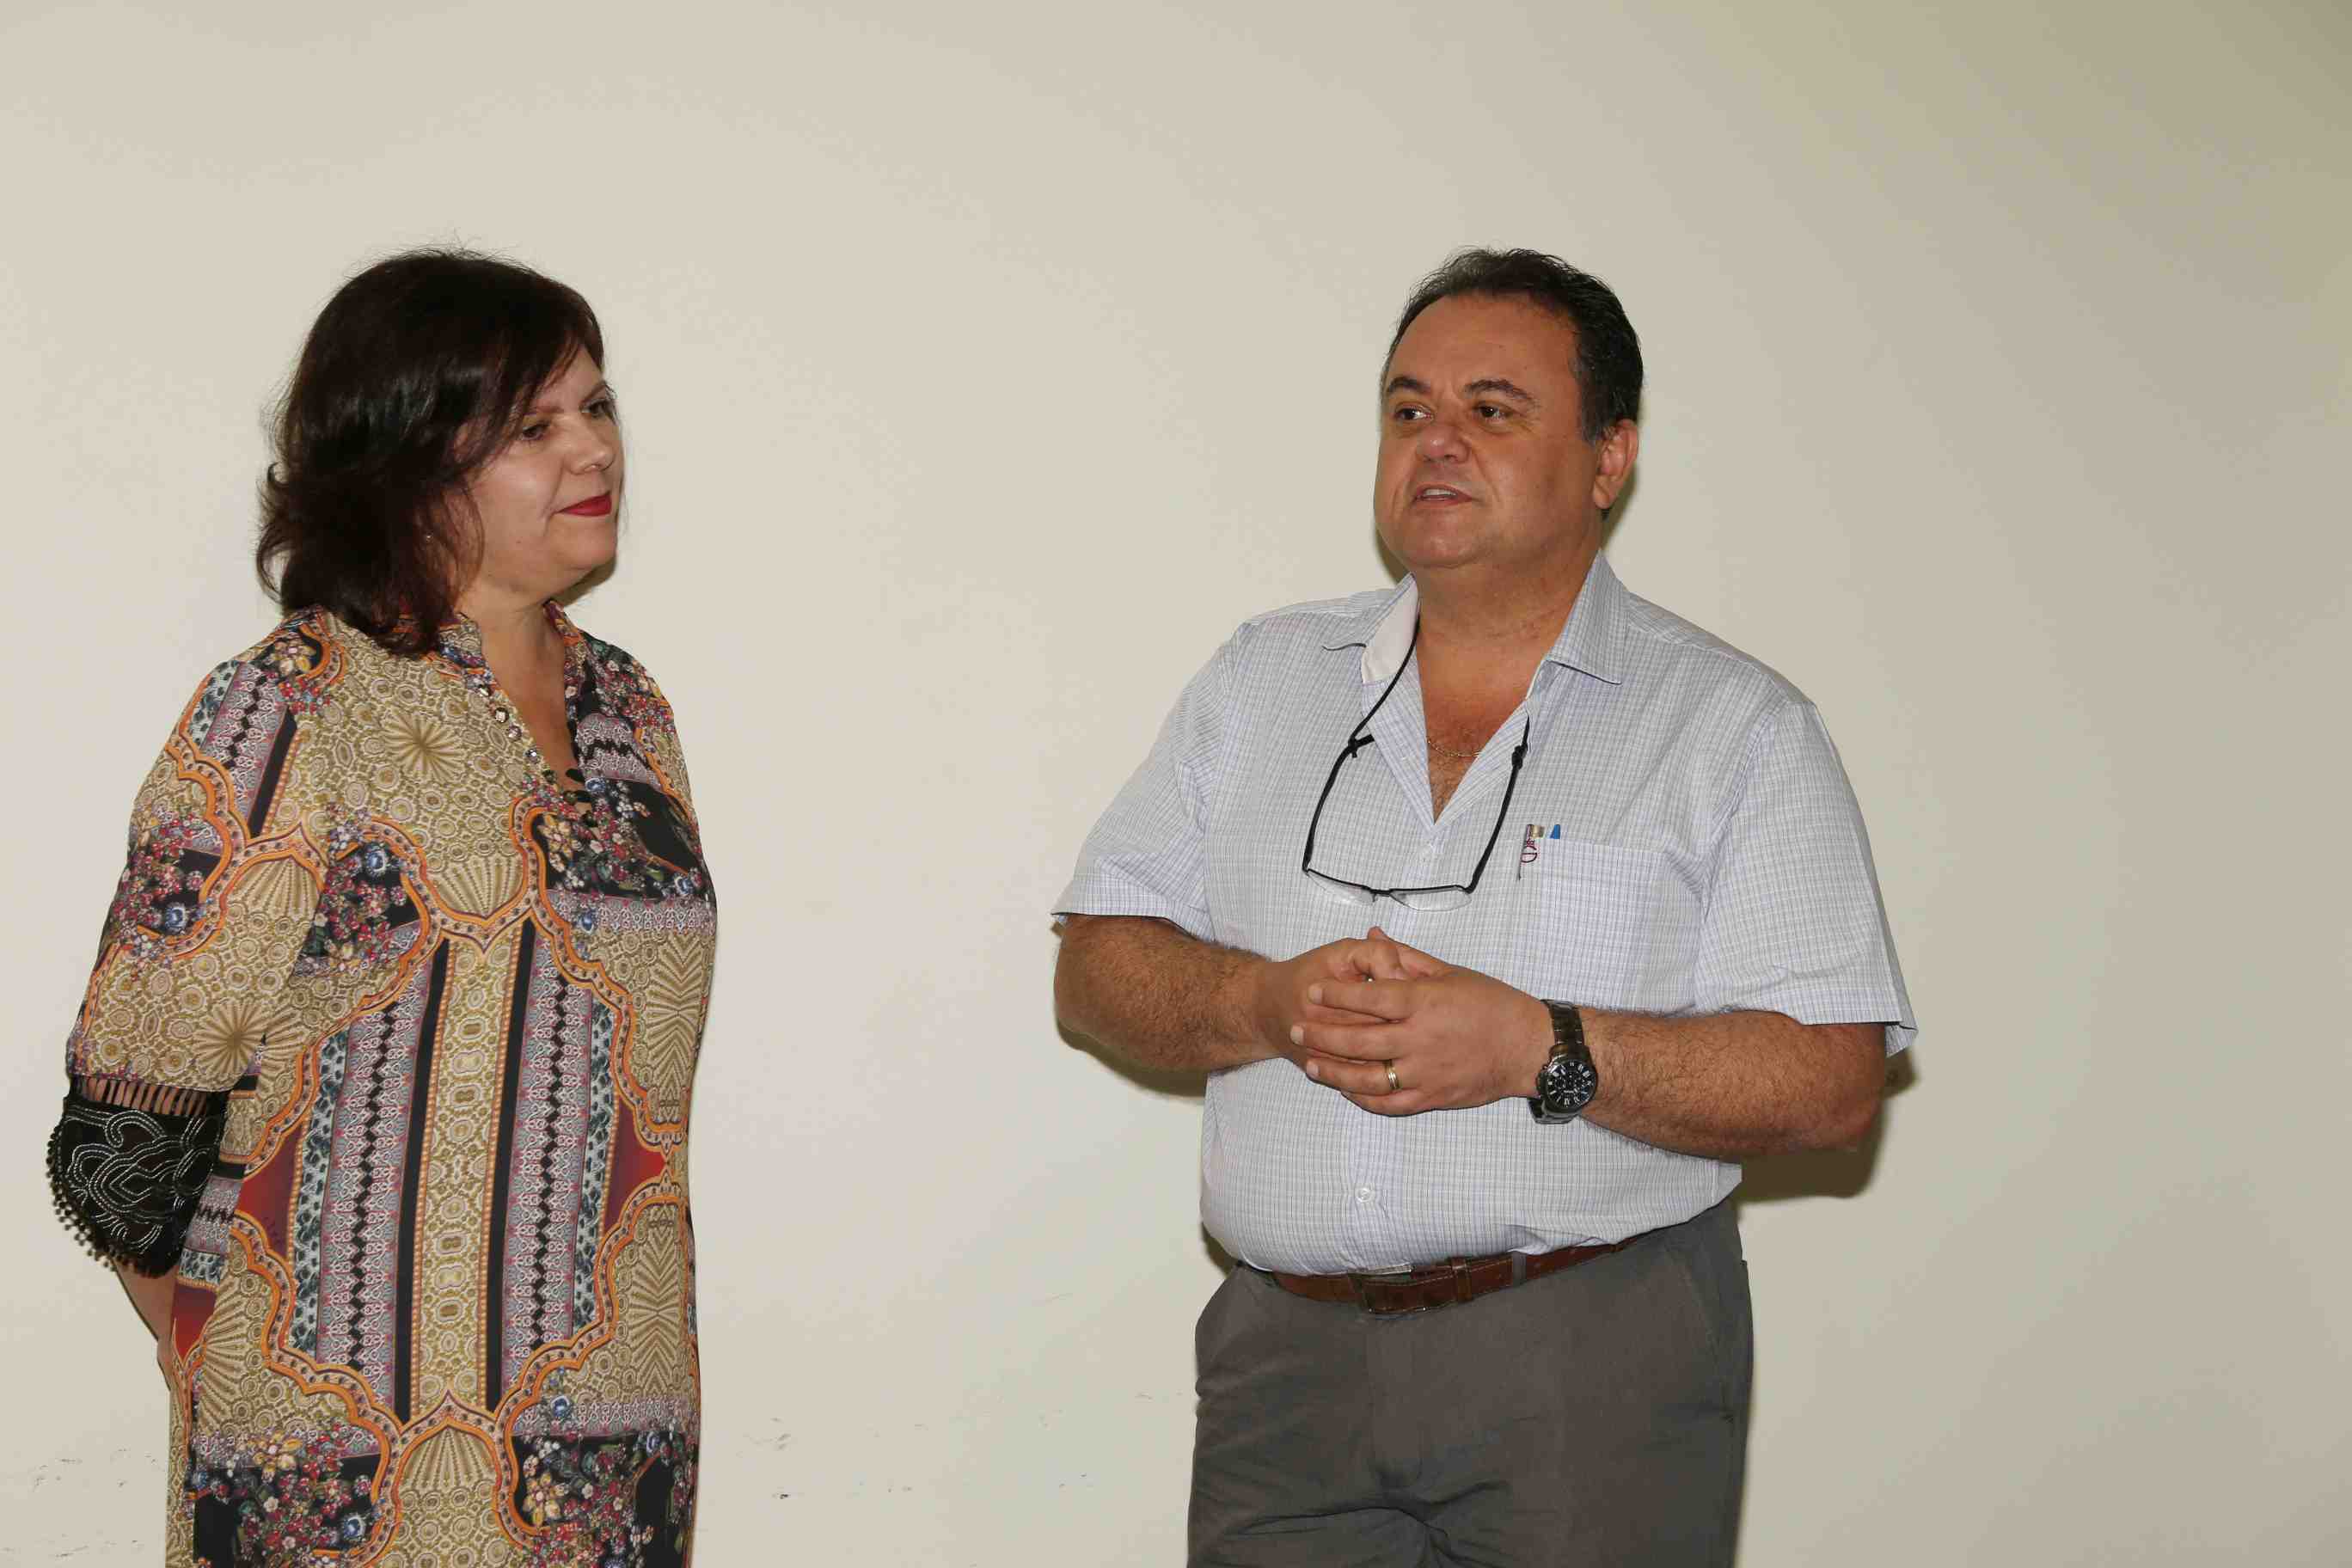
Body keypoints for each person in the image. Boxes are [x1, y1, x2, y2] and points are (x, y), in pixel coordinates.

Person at [1054, 248, 1915, 1566]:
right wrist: (1263, 1002)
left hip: (1588, 1366)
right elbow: (1097, 966)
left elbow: (1832, 1078)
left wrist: (1537, 1048)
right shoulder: (1262, 679)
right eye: (1408, 409)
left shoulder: (1732, 727)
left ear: (1609, 458)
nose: (1437, 441)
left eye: (1493, 410)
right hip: (1283, 1372)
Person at [46, 250, 717, 1567]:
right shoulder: (292, 704)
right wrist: (235, 1359)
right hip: (337, 1484)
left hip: (614, 1462)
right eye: (533, 427)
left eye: (597, 406)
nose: (593, 448)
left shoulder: (631, 710)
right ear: (406, 463)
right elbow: (129, 1118)